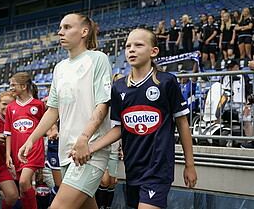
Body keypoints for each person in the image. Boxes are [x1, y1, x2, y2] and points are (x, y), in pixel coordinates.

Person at [75, 28, 197, 209]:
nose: (131, 49)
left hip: (158, 168)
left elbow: (183, 124)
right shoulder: (119, 88)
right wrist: (91, 147)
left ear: (153, 51)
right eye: (128, 46)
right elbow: (119, 129)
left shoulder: (167, 82)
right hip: (132, 168)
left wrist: (190, 164)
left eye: (138, 45)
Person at [18, 13, 112, 209]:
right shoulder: (59, 68)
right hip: (66, 152)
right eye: (60, 28)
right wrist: (31, 139)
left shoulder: (98, 59)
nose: (60, 32)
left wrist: (84, 138)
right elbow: (53, 110)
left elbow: (103, 104)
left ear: (84, 32)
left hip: (89, 150)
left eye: (68, 27)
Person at [5, 72, 46, 209]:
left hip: (34, 149)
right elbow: (8, 133)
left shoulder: (38, 105)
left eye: (13, 85)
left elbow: (46, 125)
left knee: (23, 182)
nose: (10, 87)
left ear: (23, 86)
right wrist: (8, 154)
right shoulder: (10, 107)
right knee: (23, 188)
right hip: (17, 152)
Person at [95, 73, 124, 209]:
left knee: (112, 181)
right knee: (104, 180)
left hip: (114, 148)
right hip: (102, 146)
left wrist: (122, 147)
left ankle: (107, 207)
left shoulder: (124, 103)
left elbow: (121, 128)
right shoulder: (105, 102)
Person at [222, 60, 253, 148]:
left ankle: (250, 141)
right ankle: (218, 138)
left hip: (241, 104)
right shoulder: (224, 77)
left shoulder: (244, 76)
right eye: (228, 68)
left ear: (237, 67)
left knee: (247, 119)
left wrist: (248, 107)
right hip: (226, 103)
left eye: (231, 67)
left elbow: (250, 93)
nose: (229, 70)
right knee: (216, 115)